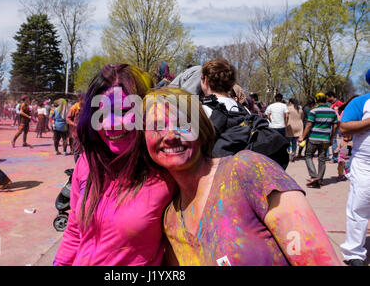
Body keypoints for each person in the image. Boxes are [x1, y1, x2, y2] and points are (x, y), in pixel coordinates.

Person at [142, 87, 340, 266]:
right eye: (157, 126)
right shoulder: (171, 220)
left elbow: (318, 259)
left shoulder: (248, 170)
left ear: (201, 129)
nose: (170, 135)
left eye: (182, 123)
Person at [53, 64, 175, 266]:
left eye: (124, 110)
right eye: (101, 115)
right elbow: (74, 232)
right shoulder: (87, 164)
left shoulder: (167, 174)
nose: (110, 124)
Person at [339, 72, 370, 266]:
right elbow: (344, 128)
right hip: (365, 166)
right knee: (359, 207)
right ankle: (354, 253)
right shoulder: (361, 102)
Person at [298, 93, 338, 188]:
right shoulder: (332, 112)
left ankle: (314, 176)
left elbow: (308, 125)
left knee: (308, 156)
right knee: (322, 159)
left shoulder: (314, 111)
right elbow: (335, 126)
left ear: (316, 101)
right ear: (325, 100)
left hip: (314, 139)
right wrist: (331, 139)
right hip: (325, 140)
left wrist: (302, 137)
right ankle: (319, 179)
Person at [326, 91, 344, 163]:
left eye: (327, 98)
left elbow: (342, 113)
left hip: (337, 124)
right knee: (332, 140)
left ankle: (335, 158)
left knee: (335, 140)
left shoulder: (339, 103)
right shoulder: (331, 104)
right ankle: (331, 157)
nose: (327, 99)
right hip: (332, 124)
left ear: (331, 96)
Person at [66, 93, 84, 163]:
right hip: (76, 132)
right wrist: (75, 124)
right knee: (77, 150)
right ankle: (77, 166)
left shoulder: (87, 106)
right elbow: (67, 119)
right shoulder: (74, 107)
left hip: (85, 132)